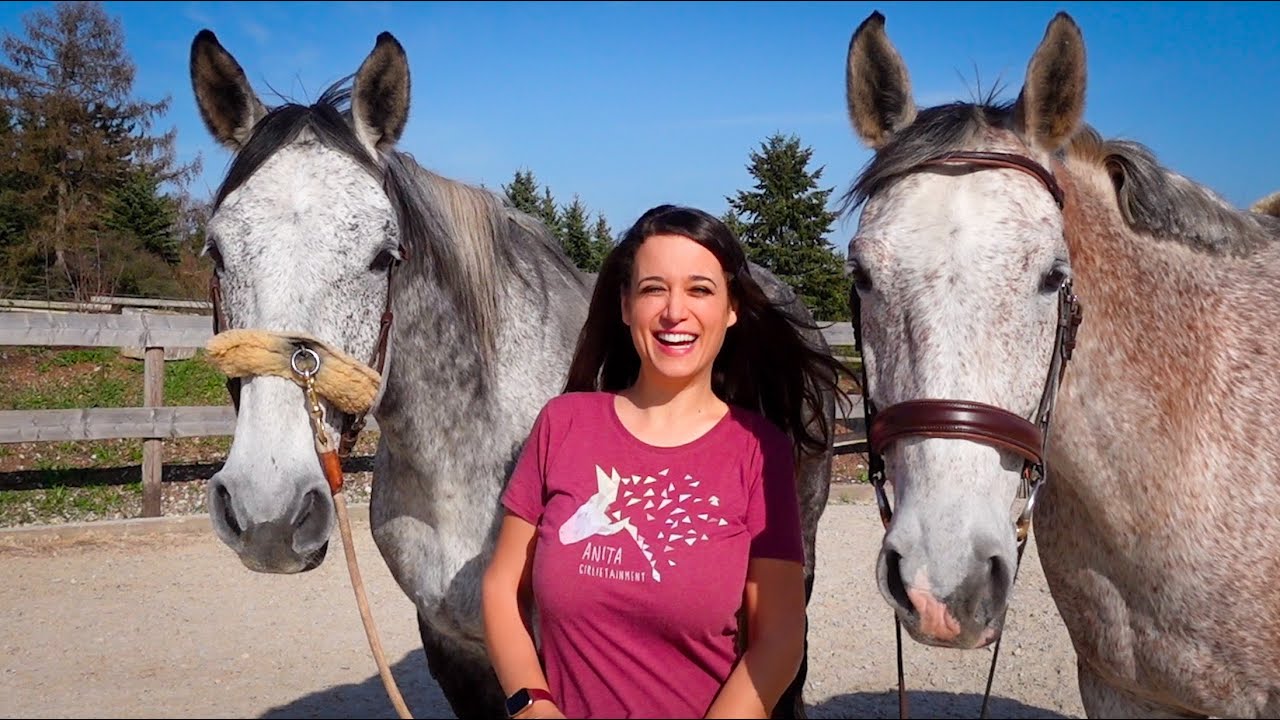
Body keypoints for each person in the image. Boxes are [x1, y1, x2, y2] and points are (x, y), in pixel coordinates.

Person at [481, 204, 848, 719]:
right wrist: (532, 706)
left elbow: (780, 637)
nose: (675, 311)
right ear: (626, 305)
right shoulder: (562, 425)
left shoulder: (759, 450)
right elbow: (501, 587)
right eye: (654, 289)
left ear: (731, 308)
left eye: (700, 290)